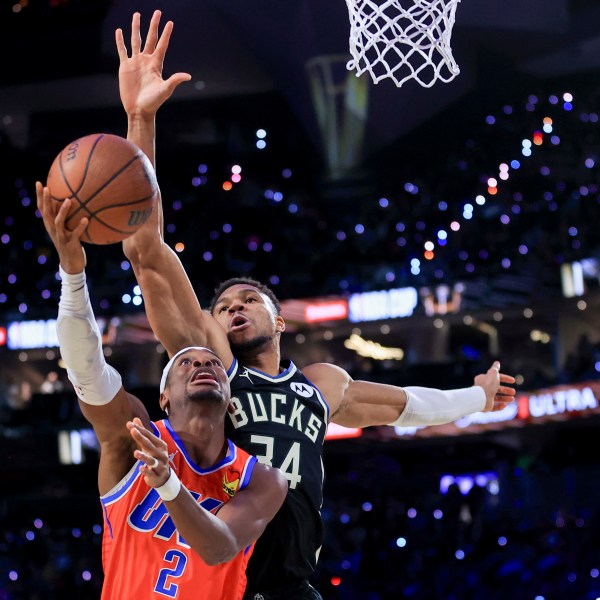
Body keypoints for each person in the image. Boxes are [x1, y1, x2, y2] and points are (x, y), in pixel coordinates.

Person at [116, 11, 516, 599]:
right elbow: (145, 249)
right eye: (223, 305)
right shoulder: (212, 368)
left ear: (280, 320)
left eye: (249, 300)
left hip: (294, 586)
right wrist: (140, 118)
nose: (232, 309)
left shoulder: (321, 385)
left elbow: (404, 407)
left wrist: (478, 396)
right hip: (219, 576)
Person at [35, 184, 288, 600]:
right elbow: (87, 368)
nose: (202, 363)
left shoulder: (260, 478)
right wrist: (72, 275)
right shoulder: (130, 438)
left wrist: (169, 483)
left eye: (210, 362)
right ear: (164, 397)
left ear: (230, 395)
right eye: (185, 362)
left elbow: (219, 547)